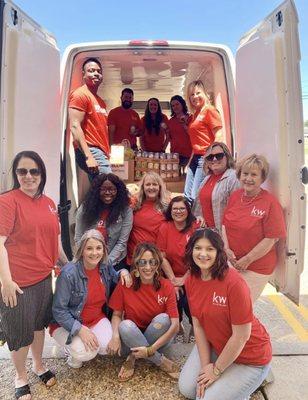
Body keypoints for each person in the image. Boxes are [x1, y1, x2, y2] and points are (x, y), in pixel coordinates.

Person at [0, 151, 68, 400]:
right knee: (19, 334)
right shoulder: (8, 201)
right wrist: (6, 281)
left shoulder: (49, 203)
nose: (28, 176)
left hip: (43, 279)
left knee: (39, 327)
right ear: (15, 174)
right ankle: (20, 376)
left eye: (34, 171)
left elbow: (56, 241)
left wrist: (68, 264)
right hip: (18, 284)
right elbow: (0, 243)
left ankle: (39, 365)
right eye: (22, 171)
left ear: (41, 174)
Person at [179, 229, 272, 400]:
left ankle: (259, 376)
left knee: (205, 398)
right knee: (187, 389)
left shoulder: (234, 283)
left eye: (210, 249)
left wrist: (216, 371)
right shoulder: (192, 278)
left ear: (219, 252)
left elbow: (241, 336)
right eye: (198, 248)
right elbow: (198, 325)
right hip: (219, 345)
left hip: (250, 356)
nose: (203, 254)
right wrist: (206, 366)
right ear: (191, 250)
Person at [51, 229, 132, 369]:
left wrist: (124, 271)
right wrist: (80, 330)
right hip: (68, 324)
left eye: (98, 248)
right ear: (82, 250)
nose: (95, 253)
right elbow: (59, 311)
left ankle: (87, 341)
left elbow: (115, 276)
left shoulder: (104, 266)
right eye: (89, 248)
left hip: (96, 319)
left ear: (104, 250)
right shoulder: (68, 274)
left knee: (108, 346)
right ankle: (70, 352)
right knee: (87, 353)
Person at [108, 242, 180, 381]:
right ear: (136, 264)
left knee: (165, 319)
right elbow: (116, 315)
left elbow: (175, 325)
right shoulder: (126, 284)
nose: (148, 267)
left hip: (159, 343)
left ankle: (132, 357)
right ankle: (160, 361)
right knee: (125, 325)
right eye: (143, 262)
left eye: (152, 262)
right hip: (130, 337)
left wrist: (150, 350)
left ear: (158, 264)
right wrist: (116, 336)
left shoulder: (166, 285)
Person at [222, 154, 286, 303]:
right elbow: (225, 224)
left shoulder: (270, 203)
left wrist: (247, 259)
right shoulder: (236, 196)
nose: (248, 178)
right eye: (245, 174)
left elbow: (272, 239)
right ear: (239, 175)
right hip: (232, 262)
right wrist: (226, 249)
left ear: (262, 178)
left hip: (256, 268)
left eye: (254, 175)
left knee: (240, 307)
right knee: (226, 306)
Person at [156, 196, 199, 329]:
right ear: (170, 211)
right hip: (172, 274)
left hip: (194, 273)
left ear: (188, 210)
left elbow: (199, 257)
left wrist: (184, 279)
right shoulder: (165, 227)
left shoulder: (195, 226)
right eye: (175, 208)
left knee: (188, 301)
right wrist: (173, 280)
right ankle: (178, 325)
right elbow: (162, 257)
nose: (178, 211)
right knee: (175, 296)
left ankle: (195, 326)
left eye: (182, 208)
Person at [74, 173, 133, 270]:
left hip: (114, 263)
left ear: (118, 191)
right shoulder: (85, 208)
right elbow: (78, 238)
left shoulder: (125, 211)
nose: (108, 192)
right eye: (103, 189)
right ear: (97, 191)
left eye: (112, 189)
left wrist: (106, 264)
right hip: (88, 261)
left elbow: (122, 242)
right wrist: (89, 260)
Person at [69, 58, 111, 179]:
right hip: (91, 150)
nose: (96, 74)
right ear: (83, 74)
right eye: (91, 71)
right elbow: (75, 126)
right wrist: (89, 156)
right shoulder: (80, 95)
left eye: (99, 71)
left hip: (100, 152)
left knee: (100, 191)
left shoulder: (100, 101)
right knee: (111, 186)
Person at [184, 80, 223, 204]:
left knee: (195, 194)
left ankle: (198, 221)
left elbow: (219, 135)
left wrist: (211, 157)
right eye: (192, 95)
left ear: (205, 93)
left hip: (204, 157)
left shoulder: (210, 111)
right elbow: (196, 141)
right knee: (187, 194)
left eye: (198, 93)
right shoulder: (195, 114)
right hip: (195, 157)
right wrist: (190, 162)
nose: (195, 97)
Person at [193, 142, 240, 232]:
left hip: (224, 235)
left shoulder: (233, 177)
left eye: (219, 156)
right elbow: (199, 208)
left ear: (227, 157)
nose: (214, 159)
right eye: (210, 157)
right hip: (207, 235)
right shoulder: (206, 179)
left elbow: (237, 211)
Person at [127, 171, 170, 265]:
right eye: (148, 184)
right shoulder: (134, 204)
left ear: (160, 187)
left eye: (154, 184)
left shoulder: (167, 207)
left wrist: (199, 218)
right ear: (143, 187)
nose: (151, 187)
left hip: (156, 259)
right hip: (134, 257)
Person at [168, 95, 192, 170]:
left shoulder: (191, 118)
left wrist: (184, 125)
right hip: (175, 155)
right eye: (173, 106)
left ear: (182, 104)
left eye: (177, 104)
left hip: (189, 155)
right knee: (176, 178)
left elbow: (193, 135)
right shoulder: (170, 121)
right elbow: (169, 137)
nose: (175, 107)